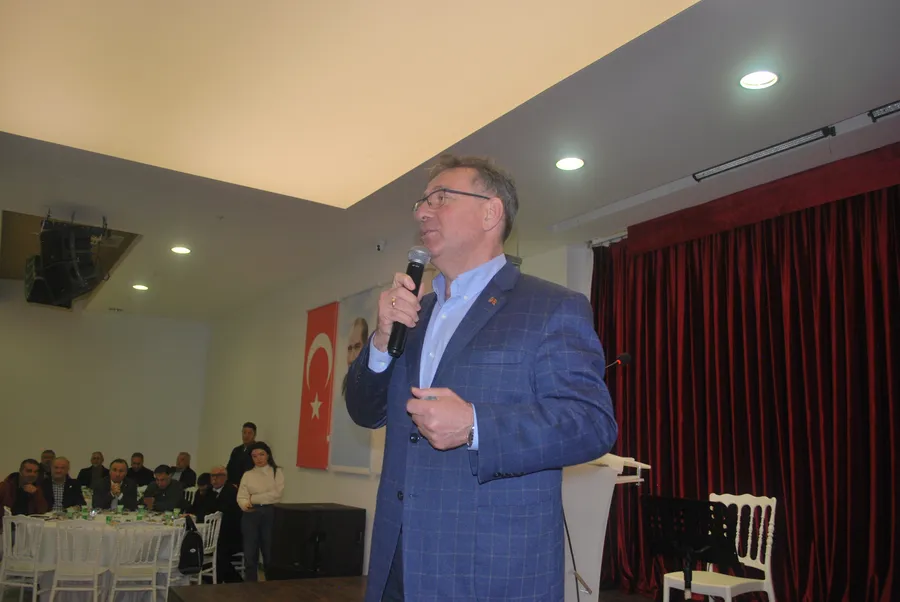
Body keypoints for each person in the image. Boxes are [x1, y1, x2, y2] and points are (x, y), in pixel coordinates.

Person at [345, 155, 617, 602]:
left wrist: (475, 425)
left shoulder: (551, 307)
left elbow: (591, 424)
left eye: (440, 199)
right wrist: (380, 339)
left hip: (490, 570)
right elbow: (364, 411)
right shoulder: (412, 314)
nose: (422, 212)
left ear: (491, 212)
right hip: (398, 563)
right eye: (421, 203)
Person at [237, 442, 284, 582]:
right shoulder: (248, 474)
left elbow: (276, 495)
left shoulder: (276, 472)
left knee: (269, 552)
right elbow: (241, 497)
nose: (258, 458)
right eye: (254, 456)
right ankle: (250, 586)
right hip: (250, 513)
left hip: (270, 512)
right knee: (250, 553)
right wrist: (247, 504)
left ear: (268, 455)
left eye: (261, 454)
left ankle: (271, 584)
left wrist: (253, 498)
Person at [194, 465, 243, 583]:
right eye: (212, 476)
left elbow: (223, 513)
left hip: (231, 534)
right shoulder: (210, 491)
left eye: (218, 476)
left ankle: (234, 581)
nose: (214, 479)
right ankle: (210, 577)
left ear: (225, 477)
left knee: (218, 552)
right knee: (195, 544)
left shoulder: (231, 491)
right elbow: (202, 509)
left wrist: (205, 515)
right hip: (213, 532)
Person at [342, 317, 369, 397]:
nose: (351, 357)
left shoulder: (372, 384)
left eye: (357, 347)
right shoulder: (347, 386)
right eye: (350, 349)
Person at [227, 422, 257, 486]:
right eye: (244, 432)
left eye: (249, 433)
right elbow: (229, 468)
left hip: (249, 485)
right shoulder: (236, 450)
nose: (246, 435)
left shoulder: (258, 450)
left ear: (254, 435)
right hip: (233, 486)